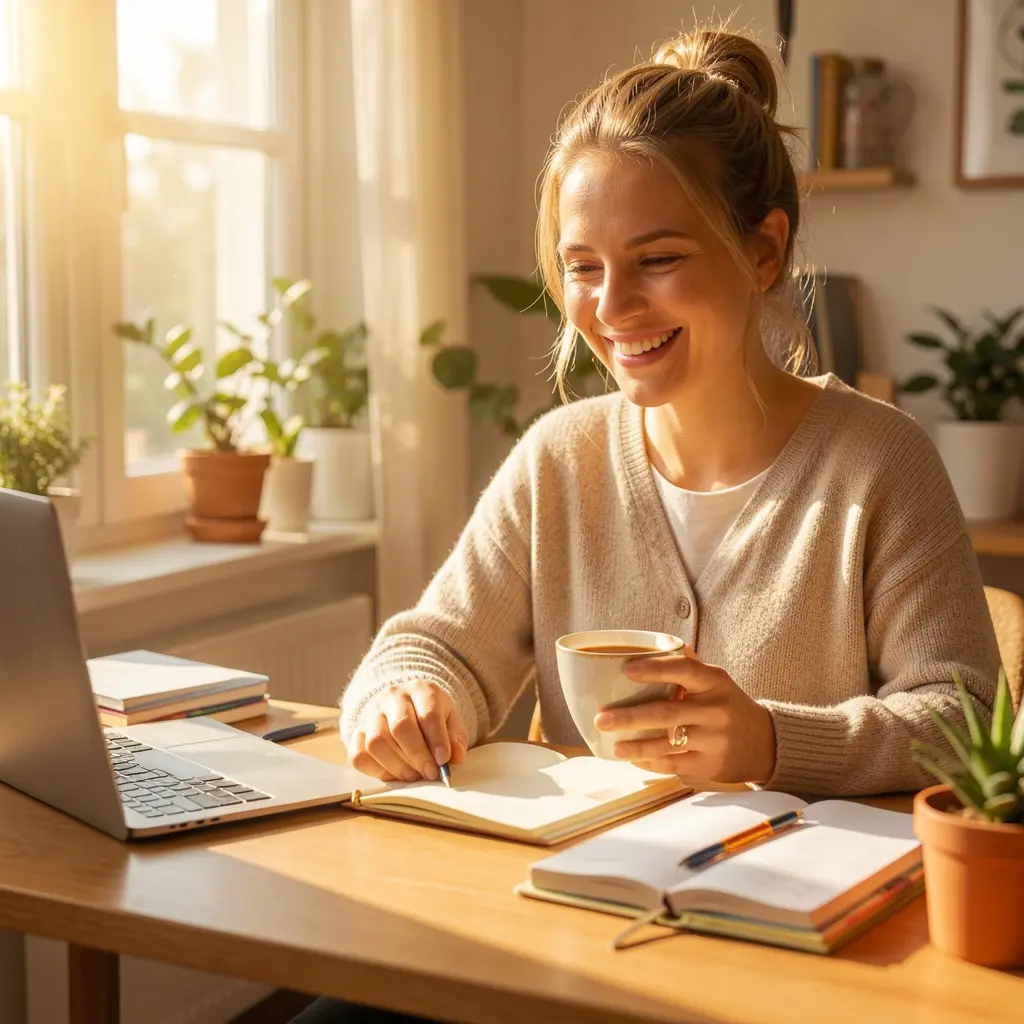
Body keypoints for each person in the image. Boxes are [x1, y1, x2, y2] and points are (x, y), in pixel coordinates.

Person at [291, 25, 999, 1020]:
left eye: (655, 259)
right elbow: (435, 641)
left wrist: (766, 739)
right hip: (565, 932)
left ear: (763, 251)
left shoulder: (880, 463)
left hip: (792, 964)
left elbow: (965, 719)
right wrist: (405, 694)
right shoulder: (561, 458)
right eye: (581, 267)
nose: (611, 306)